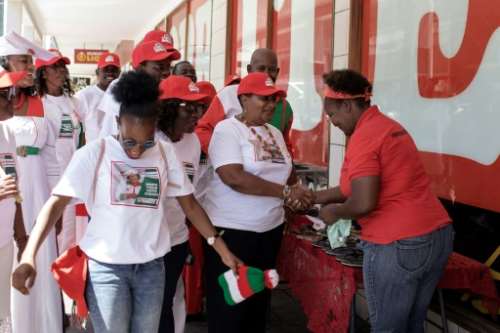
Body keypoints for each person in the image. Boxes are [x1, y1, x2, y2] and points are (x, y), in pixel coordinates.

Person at [11, 71, 241, 333]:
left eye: (146, 142)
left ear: (155, 126)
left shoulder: (164, 153)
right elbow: (55, 204)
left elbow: (190, 205)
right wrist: (29, 256)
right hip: (106, 270)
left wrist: (221, 249)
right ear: (118, 122)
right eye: (129, 141)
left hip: (152, 269)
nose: (136, 151)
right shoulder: (94, 153)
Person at [314, 69, 453, 333]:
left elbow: (364, 202)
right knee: (412, 325)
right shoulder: (387, 126)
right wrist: (316, 196)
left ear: (347, 104)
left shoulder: (365, 136)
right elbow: (350, 187)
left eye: (332, 114)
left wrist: (334, 212)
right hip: (436, 235)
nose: (332, 122)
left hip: (398, 243)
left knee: (389, 328)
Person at [203, 72, 312, 333]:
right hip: (233, 235)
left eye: (274, 99)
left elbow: (288, 172)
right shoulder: (227, 129)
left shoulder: (274, 132)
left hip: (269, 232)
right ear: (243, 98)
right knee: (230, 310)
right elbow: (234, 177)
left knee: (257, 309)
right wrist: (285, 193)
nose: (271, 104)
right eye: (264, 98)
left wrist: (297, 195)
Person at [0, 31, 63, 333]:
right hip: (8, 188)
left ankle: (43, 324)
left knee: (38, 247)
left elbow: (51, 158)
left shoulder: (42, 103)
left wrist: (58, 201)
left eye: (29, 61)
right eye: (21, 61)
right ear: (6, 63)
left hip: (37, 187)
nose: (27, 67)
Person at [156, 75, 208, 333]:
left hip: (176, 240)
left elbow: (192, 192)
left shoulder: (194, 141)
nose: (196, 114)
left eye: (199, 107)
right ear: (167, 108)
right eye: (189, 107)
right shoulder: (149, 141)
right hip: (149, 243)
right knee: (156, 309)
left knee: (167, 304)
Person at [195, 48, 294, 154]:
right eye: (261, 68)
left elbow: (285, 146)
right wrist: (225, 156)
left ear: (277, 72)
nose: (266, 74)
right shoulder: (228, 94)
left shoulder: (284, 107)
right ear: (249, 69)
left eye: (271, 69)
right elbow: (202, 130)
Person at [35, 49, 83, 253]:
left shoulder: (75, 102)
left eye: (62, 66)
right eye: (55, 66)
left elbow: (82, 138)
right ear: (43, 72)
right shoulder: (37, 104)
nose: (61, 71)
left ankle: (62, 280)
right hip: (48, 177)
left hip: (72, 177)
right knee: (50, 230)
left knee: (69, 235)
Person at [98, 30, 181, 138]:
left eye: (168, 63)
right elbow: (117, 130)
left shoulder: (161, 87)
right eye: (159, 64)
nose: (165, 71)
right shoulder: (124, 87)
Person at [0, 69, 28, 332]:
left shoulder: (7, 133)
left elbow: (14, 189)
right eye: (6, 94)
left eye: (13, 92)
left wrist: (21, 237)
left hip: (4, 243)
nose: (13, 99)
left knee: (2, 317)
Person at [76, 52, 121, 143]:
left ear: (119, 73)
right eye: (106, 69)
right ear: (97, 72)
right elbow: (76, 126)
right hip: (95, 152)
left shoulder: (125, 95)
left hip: (118, 151)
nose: (110, 73)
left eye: (114, 69)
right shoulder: (85, 95)